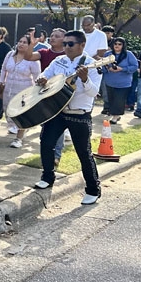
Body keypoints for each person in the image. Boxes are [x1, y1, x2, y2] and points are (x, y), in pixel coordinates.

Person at [33, 30, 102, 206]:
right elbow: (45, 75)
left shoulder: (93, 64)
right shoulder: (59, 60)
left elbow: (94, 92)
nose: (66, 47)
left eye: (70, 44)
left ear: (82, 45)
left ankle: (93, 189)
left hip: (79, 113)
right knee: (46, 142)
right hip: (58, 111)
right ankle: (47, 176)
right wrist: (41, 80)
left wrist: (85, 79)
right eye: (64, 44)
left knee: (83, 152)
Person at [23, 28, 68, 162]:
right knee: (46, 125)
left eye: (57, 36)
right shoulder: (44, 52)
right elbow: (28, 56)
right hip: (44, 93)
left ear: (64, 40)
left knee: (58, 126)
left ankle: (56, 155)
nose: (52, 38)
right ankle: (47, 152)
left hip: (62, 94)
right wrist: (32, 44)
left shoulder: (67, 55)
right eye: (52, 35)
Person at [0, 35, 41, 148]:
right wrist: (1, 82)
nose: (21, 44)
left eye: (25, 42)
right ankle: (18, 128)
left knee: (22, 114)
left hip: (24, 90)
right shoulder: (10, 55)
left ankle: (19, 138)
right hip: (9, 89)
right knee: (8, 111)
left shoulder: (33, 60)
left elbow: (38, 76)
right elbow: (3, 69)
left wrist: (36, 93)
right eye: (20, 41)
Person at [102, 37, 138, 124]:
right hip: (110, 81)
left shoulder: (128, 54)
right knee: (111, 99)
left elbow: (135, 66)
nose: (117, 46)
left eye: (119, 44)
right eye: (115, 44)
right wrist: (108, 68)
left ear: (123, 45)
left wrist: (122, 69)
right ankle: (114, 114)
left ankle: (115, 116)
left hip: (123, 83)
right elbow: (102, 65)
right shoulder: (108, 54)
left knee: (119, 100)